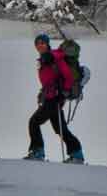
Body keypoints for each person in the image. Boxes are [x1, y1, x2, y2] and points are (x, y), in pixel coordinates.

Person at [24, 33, 85, 163]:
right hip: (51, 97)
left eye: (42, 43)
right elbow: (48, 81)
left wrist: (63, 94)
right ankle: (77, 154)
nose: (39, 45)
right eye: (37, 43)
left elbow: (68, 76)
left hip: (55, 99)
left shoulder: (54, 57)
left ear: (47, 44)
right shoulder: (44, 60)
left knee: (34, 122)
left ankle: (37, 152)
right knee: (60, 128)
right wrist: (42, 93)